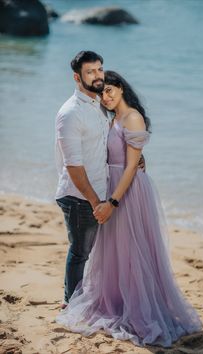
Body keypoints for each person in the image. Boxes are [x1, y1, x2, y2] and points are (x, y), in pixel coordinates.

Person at [56, 71, 203, 347]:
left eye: (111, 90)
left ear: (122, 89)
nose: (106, 97)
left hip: (128, 192)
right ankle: (116, 300)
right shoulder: (112, 118)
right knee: (115, 250)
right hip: (112, 186)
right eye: (102, 93)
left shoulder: (132, 117)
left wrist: (112, 201)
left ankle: (139, 307)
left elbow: (133, 166)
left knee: (134, 250)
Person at [55, 51, 109, 310]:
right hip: (79, 196)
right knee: (80, 252)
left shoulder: (100, 102)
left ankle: (87, 298)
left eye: (100, 69)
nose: (98, 76)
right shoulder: (70, 113)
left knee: (96, 252)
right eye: (91, 71)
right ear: (77, 77)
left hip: (101, 191)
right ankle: (71, 304)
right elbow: (73, 166)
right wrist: (95, 201)